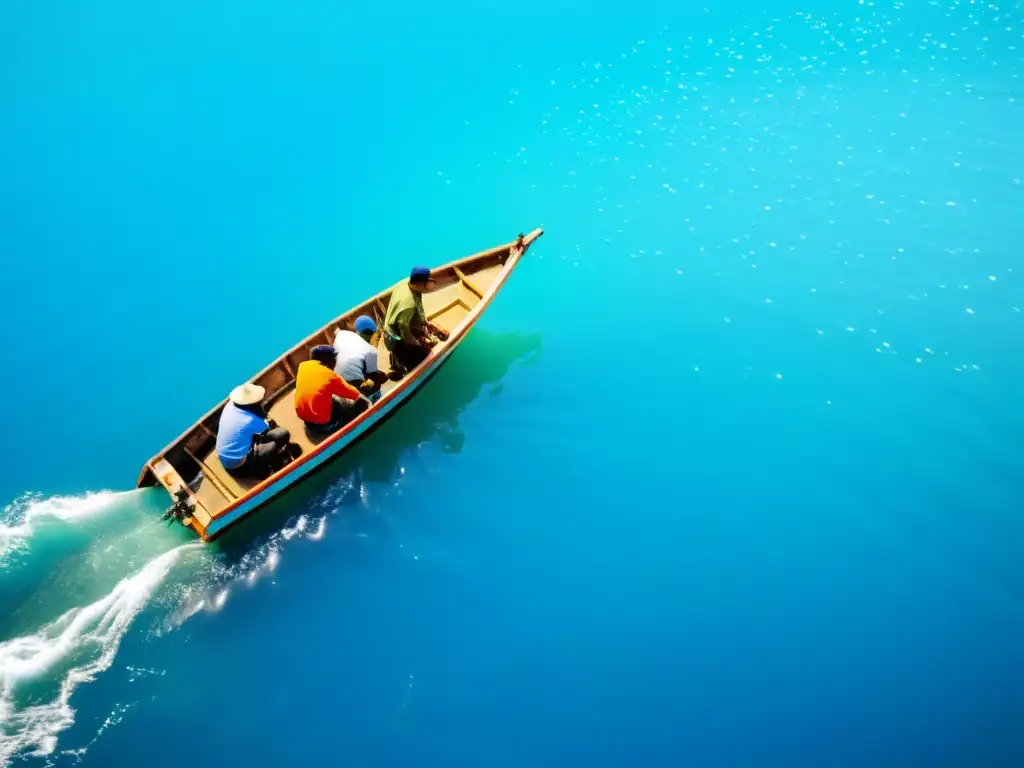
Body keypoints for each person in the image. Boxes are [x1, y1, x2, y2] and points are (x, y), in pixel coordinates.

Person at [215, 382, 299, 478]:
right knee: (281, 435)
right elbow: (270, 431)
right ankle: (266, 467)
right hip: (238, 465)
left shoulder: (230, 405)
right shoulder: (249, 420)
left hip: (225, 456)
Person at [382, 266, 449, 376]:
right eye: (426, 282)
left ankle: (401, 355)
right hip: (395, 338)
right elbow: (405, 334)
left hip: (398, 323)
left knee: (422, 339)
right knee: (422, 357)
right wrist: (419, 345)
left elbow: (417, 307)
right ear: (420, 284)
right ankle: (400, 362)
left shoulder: (405, 283)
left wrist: (426, 323)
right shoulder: (408, 305)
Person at [294, 345, 369, 436]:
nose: (335, 362)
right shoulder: (329, 375)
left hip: (306, 420)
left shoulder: (303, 366)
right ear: (328, 360)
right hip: (323, 425)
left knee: (325, 393)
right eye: (333, 359)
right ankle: (339, 425)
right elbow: (353, 394)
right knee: (359, 403)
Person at [333, 315, 388, 403]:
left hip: (337, 381)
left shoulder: (342, 335)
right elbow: (375, 376)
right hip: (354, 383)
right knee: (377, 383)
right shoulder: (371, 350)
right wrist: (385, 376)